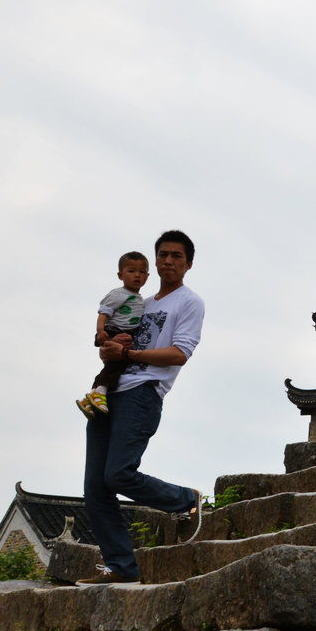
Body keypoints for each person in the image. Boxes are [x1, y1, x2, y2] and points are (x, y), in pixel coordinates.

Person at [80, 230, 206, 585]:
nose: (168, 261)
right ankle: (121, 567)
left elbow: (179, 354)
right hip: (110, 392)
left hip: (144, 393)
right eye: (163, 255)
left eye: (176, 256)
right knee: (95, 487)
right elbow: (112, 336)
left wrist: (130, 354)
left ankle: (185, 500)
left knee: (118, 474)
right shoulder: (141, 301)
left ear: (189, 264)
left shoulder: (189, 302)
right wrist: (109, 344)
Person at [77, 251, 149, 416]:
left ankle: (91, 395)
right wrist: (101, 331)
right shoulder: (119, 294)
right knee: (118, 363)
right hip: (114, 330)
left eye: (142, 272)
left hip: (125, 331)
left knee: (111, 366)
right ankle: (101, 393)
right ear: (120, 275)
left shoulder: (138, 298)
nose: (137, 275)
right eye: (131, 271)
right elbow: (104, 313)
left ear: (147, 276)